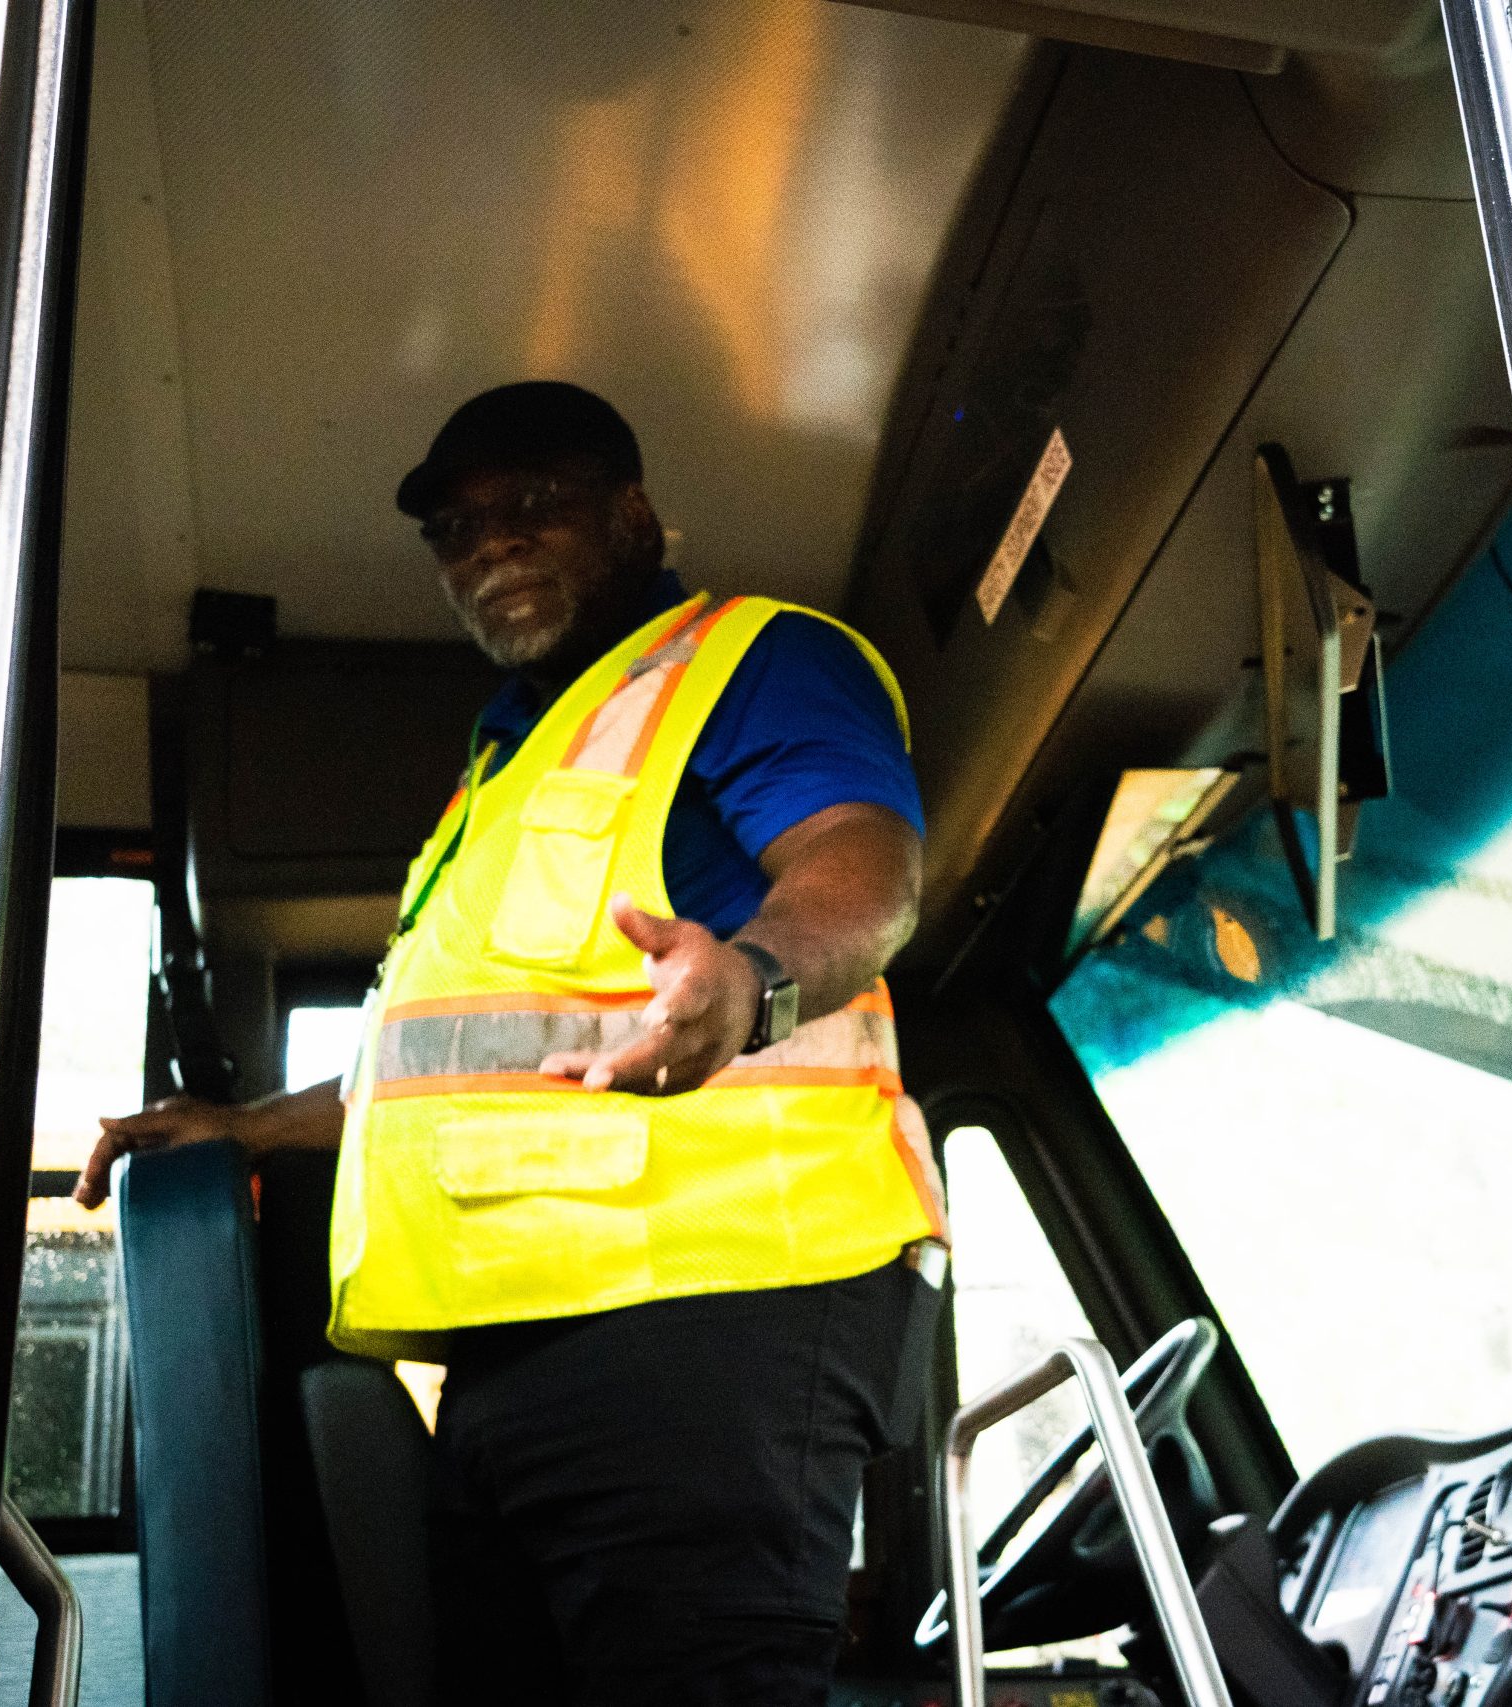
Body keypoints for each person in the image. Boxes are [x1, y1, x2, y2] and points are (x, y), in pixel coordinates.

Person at [76, 381, 949, 1706]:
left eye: (530, 507)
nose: (488, 545)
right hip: (512, 1359)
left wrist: (754, 978)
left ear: (634, 516)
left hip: (710, 1326)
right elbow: (446, 1067)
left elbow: (860, 865)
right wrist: (248, 1128)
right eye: (455, 529)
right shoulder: (510, 760)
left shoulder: (752, 655)